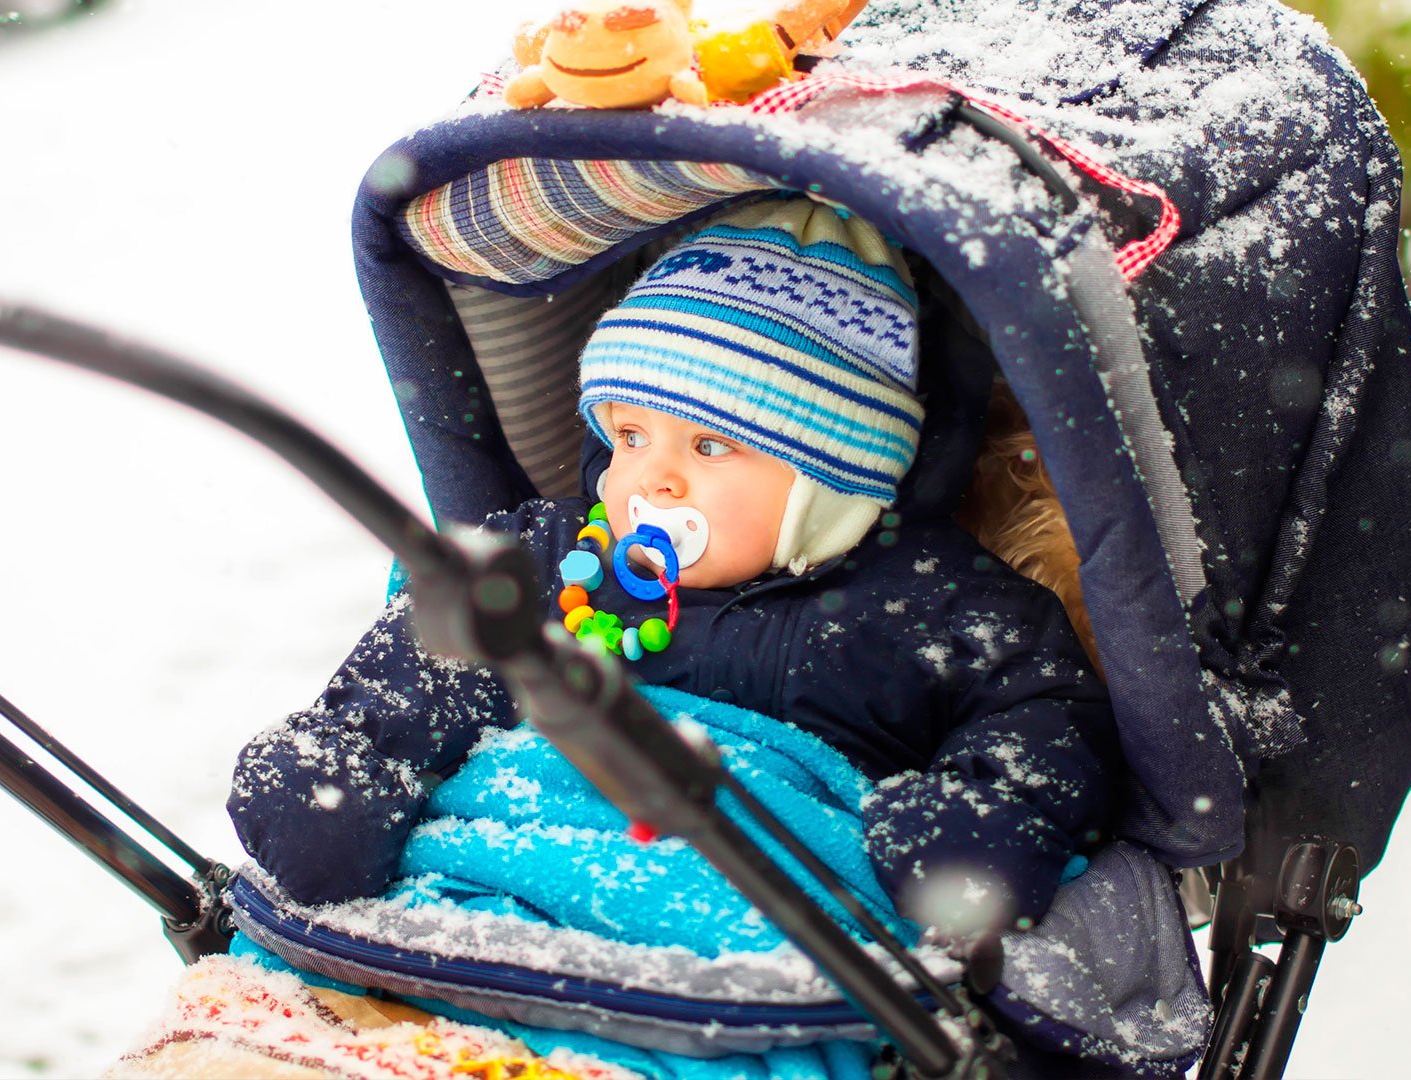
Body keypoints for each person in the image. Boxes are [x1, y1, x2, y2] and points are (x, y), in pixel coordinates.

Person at [228, 196, 1119, 932]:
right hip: (492, 906)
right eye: (628, 433)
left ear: (831, 482)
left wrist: (979, 828)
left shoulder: (940, 606)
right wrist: (352, 765)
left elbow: (1046, 721)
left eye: (709, 445)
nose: (650, 474)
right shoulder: (551, 559)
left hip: (750, 937)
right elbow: (437, 661)